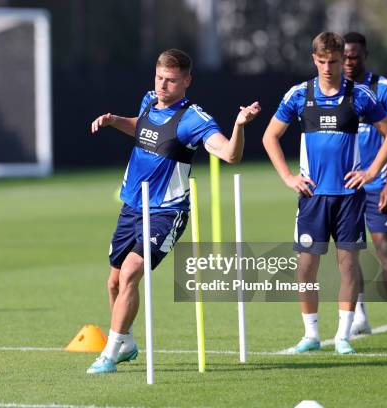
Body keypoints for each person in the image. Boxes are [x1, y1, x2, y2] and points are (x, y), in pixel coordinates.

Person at [87, 49, 261, 374]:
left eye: (171, 80)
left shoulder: (194, 119)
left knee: (129, 274)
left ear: (187, 81)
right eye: (159, 78)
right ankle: (125, 342)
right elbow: (142, 127)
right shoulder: (149, 100)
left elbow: (229, 154)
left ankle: (109, 353)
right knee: (113, 282)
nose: (163, 85)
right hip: (131, 205)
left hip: (167, 212)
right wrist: (114, 121)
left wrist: (239, 126)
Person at [262, 32, 387, 354]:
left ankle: (343, 336)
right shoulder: (299, 95)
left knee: (348, 266)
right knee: (306, 267)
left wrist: (371, 171)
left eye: (334, 61)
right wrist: (288, 177)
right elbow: (270, 136)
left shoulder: (359, 96)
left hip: (349, 198)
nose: (328, 67)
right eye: (322, 61)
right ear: (314, 59)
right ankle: (310, 334)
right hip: (312, 197)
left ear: (342, 60)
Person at [341, 32, 387, 339]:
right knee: (349, 255)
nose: (348, 62)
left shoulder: (386, 89)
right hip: (345, 187)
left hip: (377, 185)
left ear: (365, 54)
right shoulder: (330, 92)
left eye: (354, 56)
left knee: (386, 250)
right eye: (343, 56)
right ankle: (360, 317)